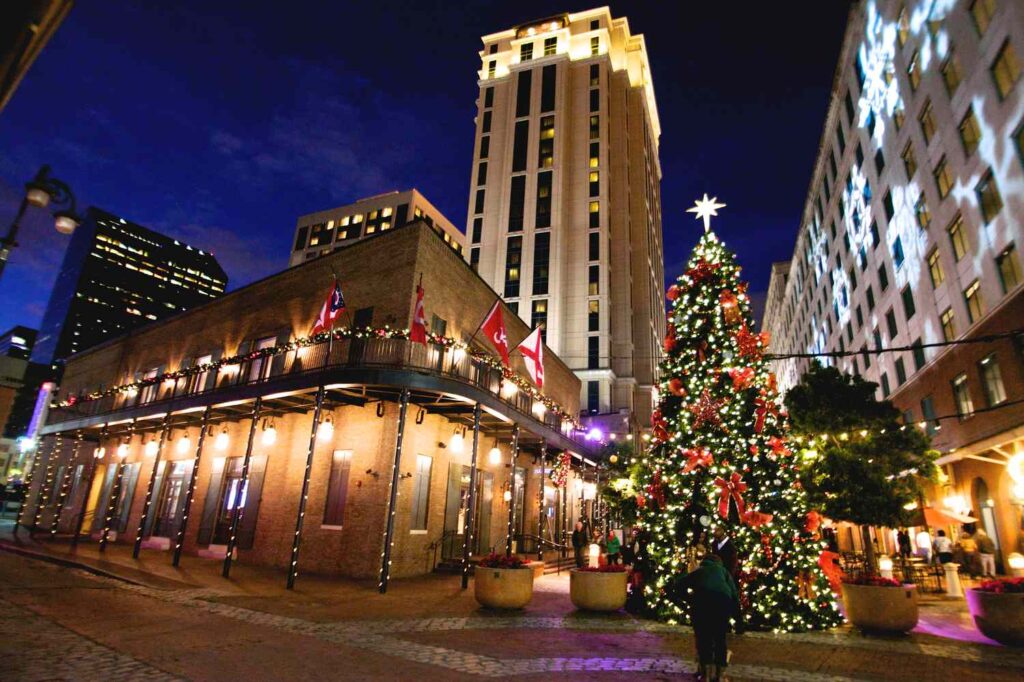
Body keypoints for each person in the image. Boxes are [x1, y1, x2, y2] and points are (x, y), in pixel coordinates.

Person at [680, 554, 739, 682]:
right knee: (720, 639)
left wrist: (688, 600)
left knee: (703, 638)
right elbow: (734, 594)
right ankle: (719, 676)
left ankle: (705, 675)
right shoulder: (724, 572)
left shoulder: (699, 571)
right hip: (722, 603)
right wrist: (738, 618)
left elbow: (679, 584)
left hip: (701, 603)